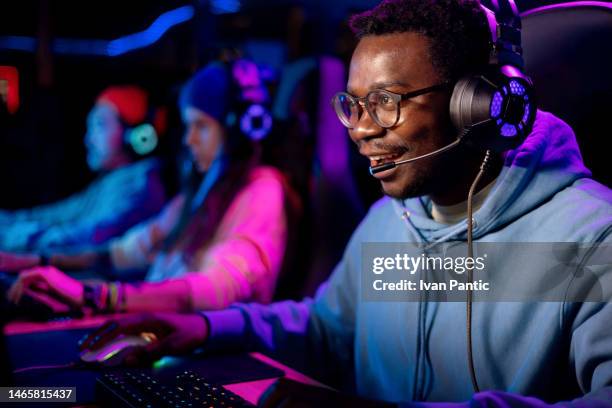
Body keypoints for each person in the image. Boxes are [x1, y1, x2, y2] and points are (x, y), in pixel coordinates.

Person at [67, 0, 612, 407]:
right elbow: (329, 330)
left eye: (385, 102)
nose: (360, 130)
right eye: (352, 105)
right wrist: (205, 329)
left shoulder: (591, 236)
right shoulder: (387, 223)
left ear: (480, 105)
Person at [7, 60, 294, 314]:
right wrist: (37, 262)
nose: (188, 140)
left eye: (201, 126)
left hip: (207, 356)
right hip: (156, 333)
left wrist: (95, 296)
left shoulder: (262, 192)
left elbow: (213, 290)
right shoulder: (201, 193)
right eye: (187, 127)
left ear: (240, 128)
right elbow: (124, 253)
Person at [0, 85, 167, 254]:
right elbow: (58, 214)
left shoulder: (138, 186)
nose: (89, 139)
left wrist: (8, 236)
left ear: (138, 136)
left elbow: (83, 240)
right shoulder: (112, 181)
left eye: (100, 126)